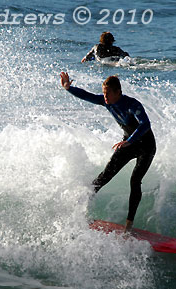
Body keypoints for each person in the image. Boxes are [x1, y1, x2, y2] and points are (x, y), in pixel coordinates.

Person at [60, 72, 156, 231]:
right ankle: (80, 212)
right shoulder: (107, 102)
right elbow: (87, 96)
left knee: (135, 180)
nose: (105, 97)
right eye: (104, 93)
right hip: (127, 144)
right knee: (104, 176)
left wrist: (129, 141)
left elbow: (145, 124)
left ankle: (129, 224)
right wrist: (68, 88)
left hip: (146, 146)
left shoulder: (132, 104)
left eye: (108, 93)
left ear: (118, 92)